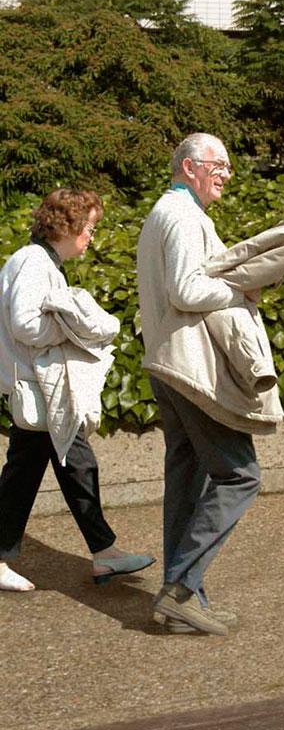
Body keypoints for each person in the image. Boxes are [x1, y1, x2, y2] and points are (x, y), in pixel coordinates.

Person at [138, 134, 275, 635]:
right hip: (191, 370)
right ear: (191, 166)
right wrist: (244, 288)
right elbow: (187, 290)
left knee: (187, 479)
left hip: (168, 366)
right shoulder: (180, 216)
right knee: (241, 476)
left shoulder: (166, 214)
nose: (227, 173)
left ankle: (184, 599)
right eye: (220, 164)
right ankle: (178, 590)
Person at [0, 189, 155, 593]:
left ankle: (104, 553)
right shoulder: (34, 263)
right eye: (88, 228)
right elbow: (26, 325)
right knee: (69, 465)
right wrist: (75, 332)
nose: (91, 237)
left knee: (43, 469)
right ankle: (104, 553)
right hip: (43, 389)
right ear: (65, 226)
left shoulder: (35, 260)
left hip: (43, 388)